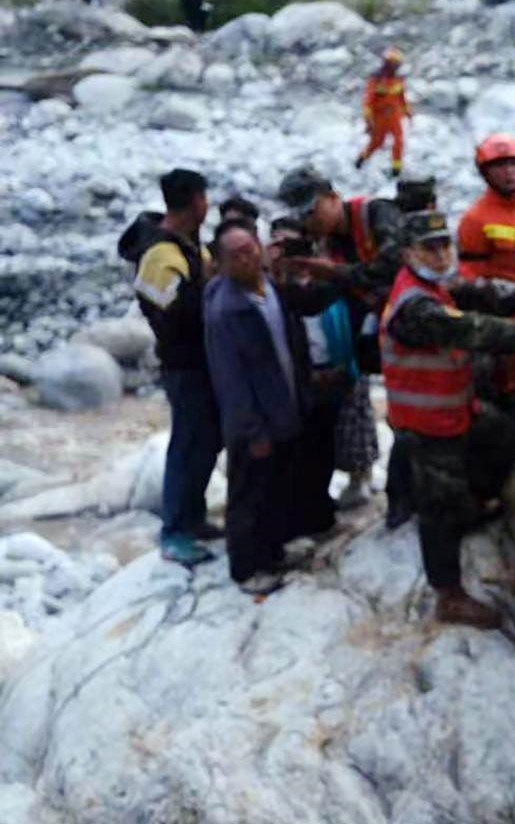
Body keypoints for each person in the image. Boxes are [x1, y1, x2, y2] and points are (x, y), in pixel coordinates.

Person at [381, 210, 515, 628]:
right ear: (407, 253)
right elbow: (472, 329)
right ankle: (448, 595)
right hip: (426, 425)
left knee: (507, 439)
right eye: (429, 248)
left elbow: (484, 293)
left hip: (455, 411)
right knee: (438, 508)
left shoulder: (437, 286)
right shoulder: (415, 306)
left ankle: (485, 503)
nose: (440, 256)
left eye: (444, 246)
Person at [276, 166, 413, 524]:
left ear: (333, 198)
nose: (310, 222)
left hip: (416, 330)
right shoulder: (327, 245)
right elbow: (327, 296)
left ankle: (410, 498)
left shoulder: (376, 213)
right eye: (302, 217)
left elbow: (391, 264)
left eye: (313, 211)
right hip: (381, 339)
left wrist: (330, 272)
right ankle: (402, 499)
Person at [203, 222, 317, 596]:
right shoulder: (227, 311)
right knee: (248, 495)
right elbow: (230, 380)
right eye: (235, 255)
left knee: (278, 488)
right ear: (221, 263)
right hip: (256, 421)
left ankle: (274, 551)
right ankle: (246, 568)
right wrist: (253, 430)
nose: (247, 258)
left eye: (250, 249)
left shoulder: (269, 289)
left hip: (283, 406)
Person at [120, 168, 221, 567]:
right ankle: (175, 531)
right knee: (188, 444)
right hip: (185, 365)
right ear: (197, 201)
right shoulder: (161, 256)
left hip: (201, 362)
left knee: (206, 441)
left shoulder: (186, 245)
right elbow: (175, 315)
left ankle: (192, 518)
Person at [275, 214, 377, 512]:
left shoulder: (330, 281)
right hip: (304, 376)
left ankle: (357, 481)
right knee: (311, 443)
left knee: (352, 428)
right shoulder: (275, 290)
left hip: (341, 365)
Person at [457, 133, 515, 424]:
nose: (510, 172)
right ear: (486, 172)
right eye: (501, 166)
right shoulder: (476, 219)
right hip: (501, 327)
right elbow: (470, 280)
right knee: (499, 403)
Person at [356, 47, 411, 177]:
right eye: (392, 63)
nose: (395, 66)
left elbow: (402, 97)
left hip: (394, 115)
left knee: (399, 140)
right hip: (379, 116)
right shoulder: (375, 80)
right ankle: (362, 158)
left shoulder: (399, 80)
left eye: (397, 64)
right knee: (377, 143)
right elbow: (368, 101)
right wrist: (368, 120)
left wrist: (407, 112)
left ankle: (396, 167)